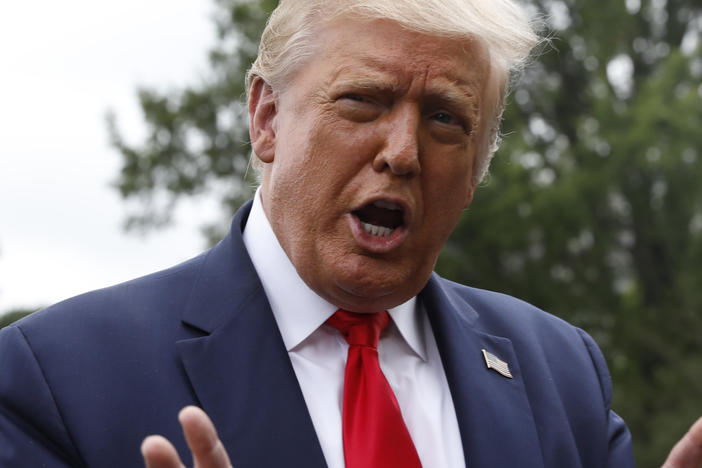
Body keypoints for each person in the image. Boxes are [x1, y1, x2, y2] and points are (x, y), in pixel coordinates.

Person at [1, 0, 700, 467]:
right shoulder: (52, 379)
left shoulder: (563, 375)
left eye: (445, 119)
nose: (402, 150)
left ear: (479, 168)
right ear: (267, 118)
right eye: (363, 101)